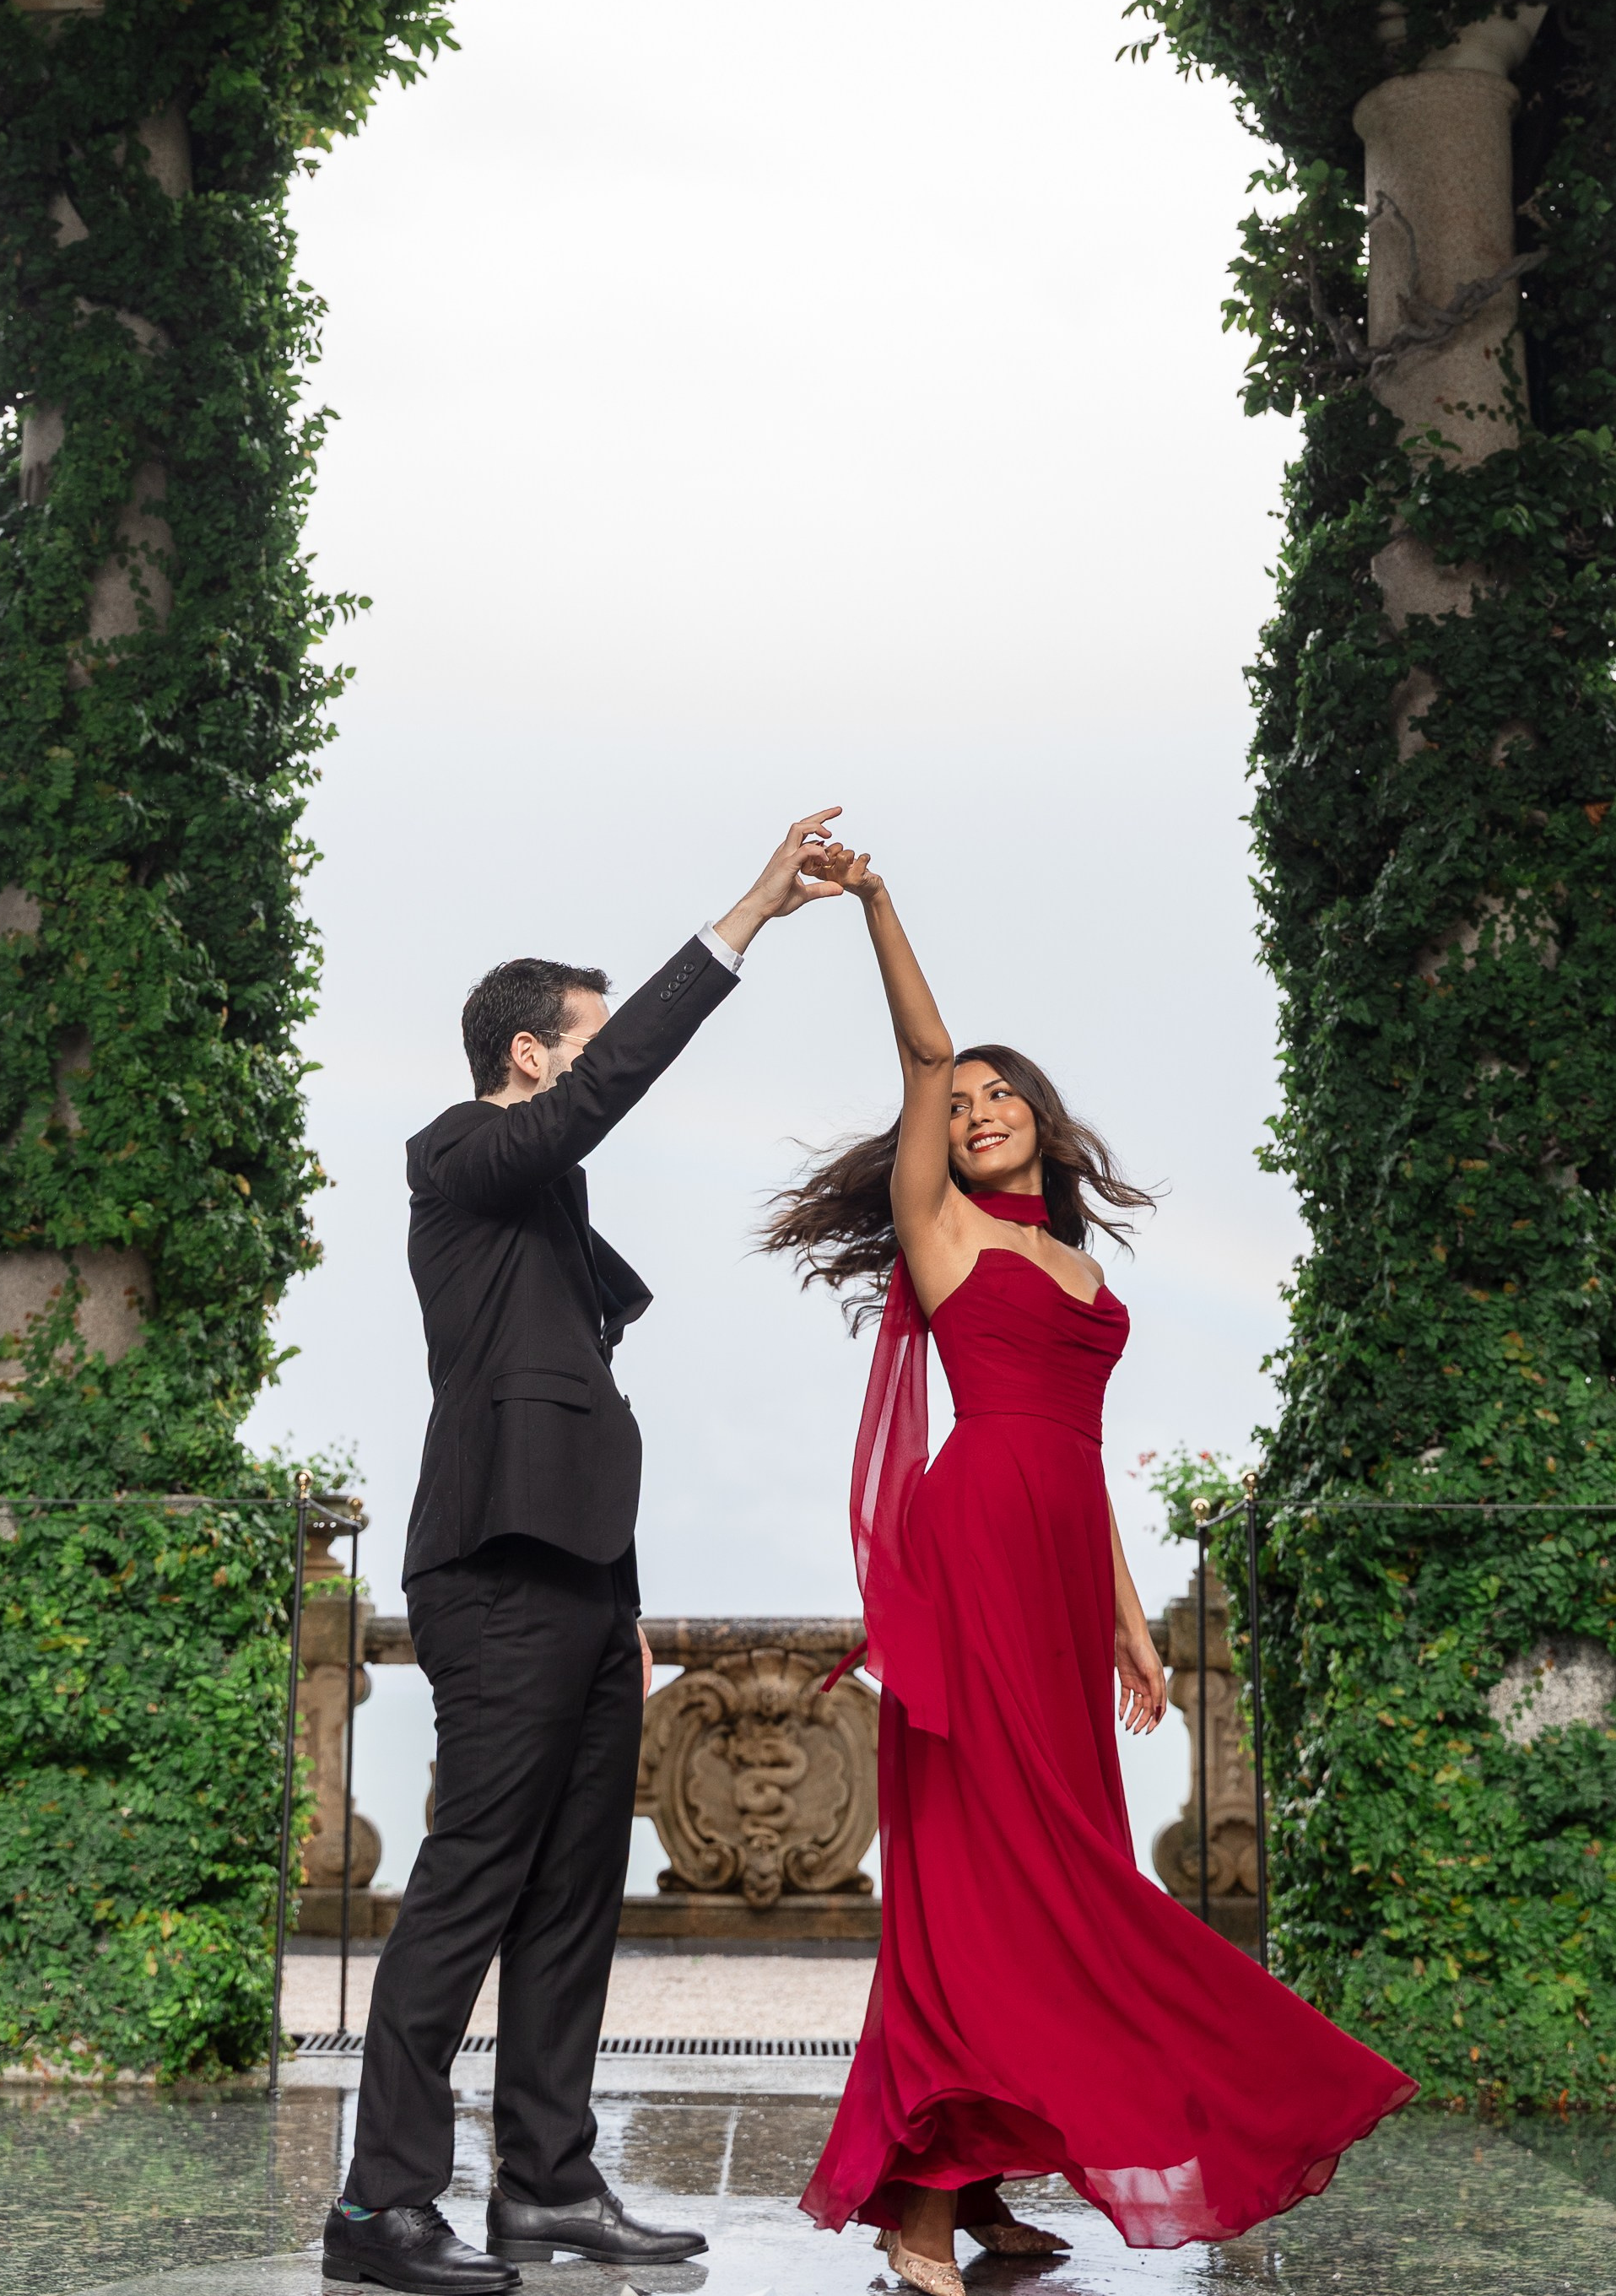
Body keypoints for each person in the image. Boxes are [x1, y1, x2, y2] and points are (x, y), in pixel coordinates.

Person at [764, 847, 1414, 2296]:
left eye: (999, 1095)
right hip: (978, 1553)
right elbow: (923, 1055)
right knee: (997, 1868)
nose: (975, 1109)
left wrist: (1131, 1626)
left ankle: (988, 2173)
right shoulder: (940, 1229)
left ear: (1043, 1121)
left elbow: (1083, 1455)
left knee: (1055, 1864)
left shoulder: (1077, 1267)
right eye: (960, 1104)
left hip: (1059, 1571)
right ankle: (921, 2205)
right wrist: (876, 904)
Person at [326, 808, 846, 2295]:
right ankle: (379, 2208)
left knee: (570, 1893)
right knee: (472, 1883)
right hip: (490, 1575)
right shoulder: (458, 1153)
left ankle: (546, 2184)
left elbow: (578, 1423)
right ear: (528, 1052)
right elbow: (603, 1095)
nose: (603, 1066)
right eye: (586, 1043)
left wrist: (623, 1604)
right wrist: (745, 916)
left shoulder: (545, 1212)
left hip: (579, 1583)